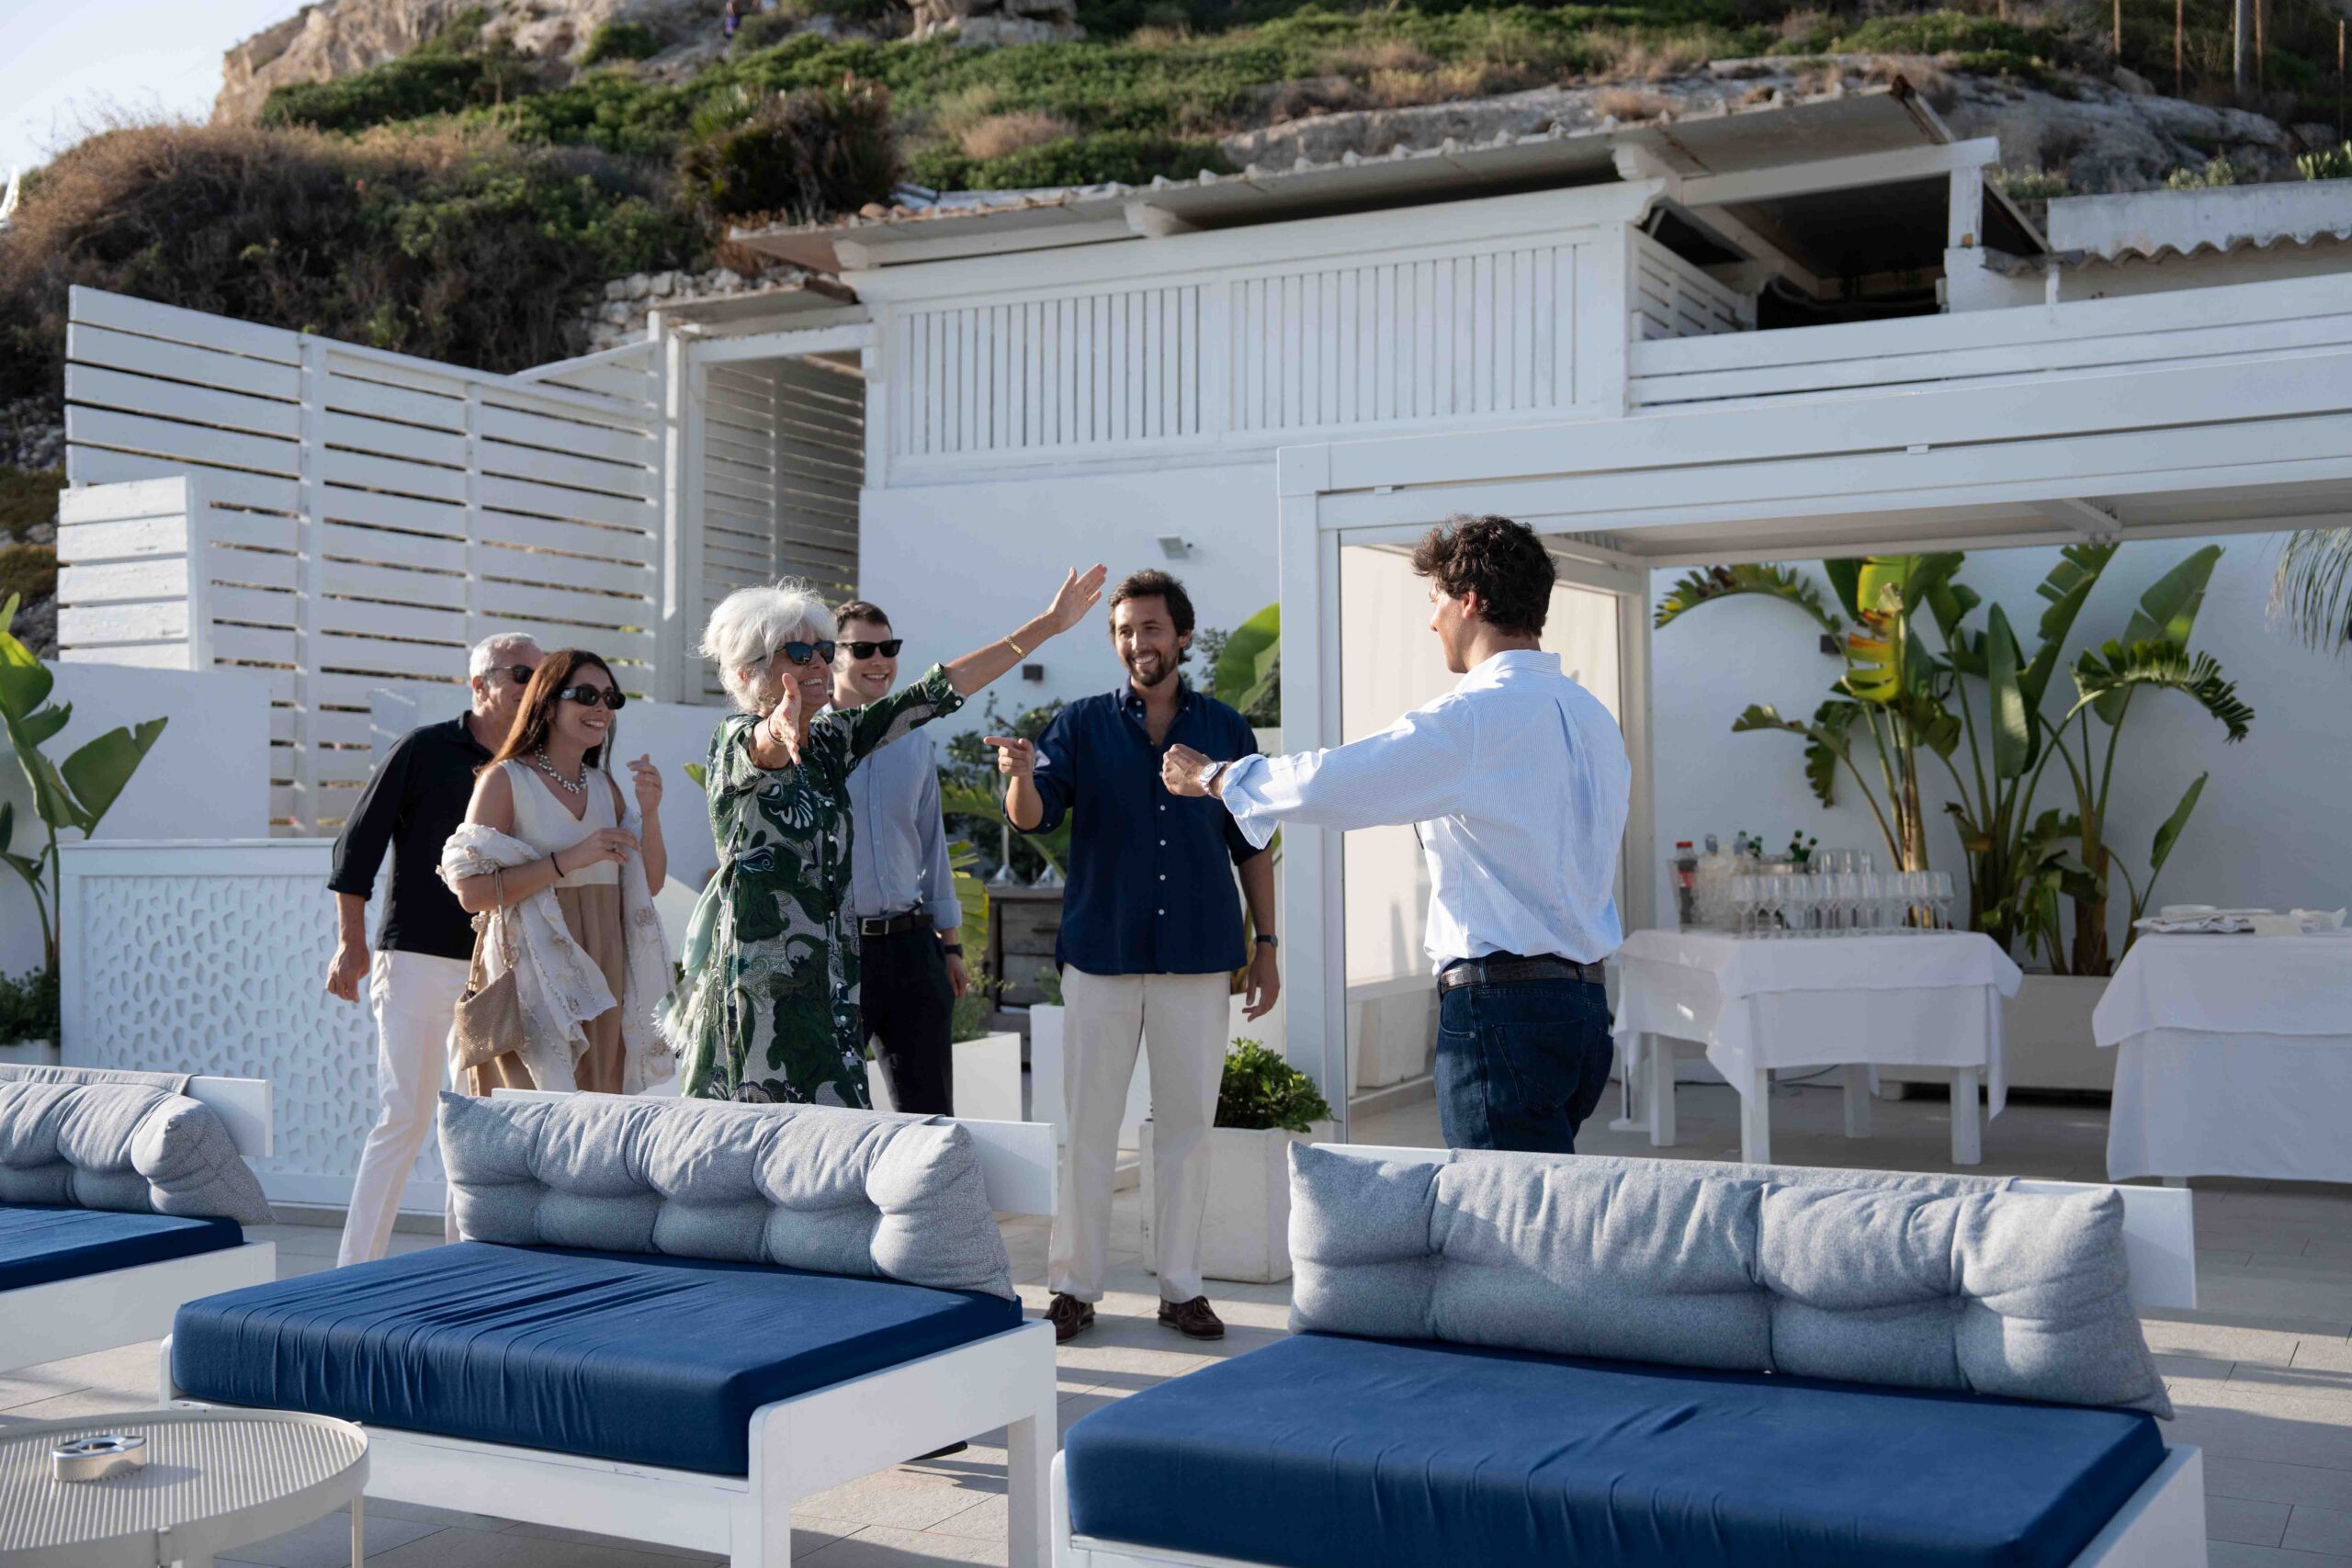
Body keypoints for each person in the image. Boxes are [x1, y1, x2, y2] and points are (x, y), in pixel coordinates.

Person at [1163, 513, 1631, 1156]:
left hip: (1503, 1012)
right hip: (1586, 1011)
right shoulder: (1593, 716)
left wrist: (1217, 777)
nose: (1431, 620)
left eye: (1436, 599)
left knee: (1498, 1213)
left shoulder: (1473, 717)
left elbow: (1339, 781)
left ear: (1471, 601)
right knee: (1541, 1204)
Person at [668, 564, 1106, 1107]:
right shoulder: (733, 741)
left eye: (822, 651)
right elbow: (764, 748)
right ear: (746, 673)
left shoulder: (833, 740)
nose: (817, 664)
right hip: (763, 993)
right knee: (763, 1136)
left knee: (847, 1133)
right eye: (798, 654)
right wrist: (779, 728)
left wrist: (1048, 624)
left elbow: (939, 689)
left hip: (832, 979)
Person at [988, 570, 1279, 1346]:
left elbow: (1253, 844)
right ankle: (1074, 1286)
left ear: (1182, 636)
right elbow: (1034, 814)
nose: (1136, 642)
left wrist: (1268, 945)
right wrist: (1020, 778)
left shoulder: (1227, 730)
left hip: (1199, 955)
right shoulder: (1080, 723)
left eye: (1150, 627)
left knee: (1187, 1129)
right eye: (1123, 630)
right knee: (1090, 1128)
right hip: (1101, 955)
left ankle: (1182, 1287)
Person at [325, 632, 541, 1267]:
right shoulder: (423, 749)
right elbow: (356, 847)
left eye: (541, 675)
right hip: (416, 959)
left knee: (474, 1124)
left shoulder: (534, 764)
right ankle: (352, 1272)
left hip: (495, 966)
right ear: (481, 684)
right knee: (405, 1116)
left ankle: (461, 1268)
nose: (535, 686)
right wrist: (351, 943)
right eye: (522, 674)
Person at [441, 649, 673, 1096]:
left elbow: (651, 884)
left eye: (610, 698)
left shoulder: (605, 787)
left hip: (604, 968)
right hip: (531, 973)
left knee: (597, 1110)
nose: (601, 707)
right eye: (586, 695)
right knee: (534, 1109)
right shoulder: (505, 780)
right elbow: (471, 893)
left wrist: (650, 812)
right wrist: (568, 860)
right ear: (547, 703)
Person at [832, 599, 970, 1116]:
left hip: (914, 950)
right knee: (836, 1115)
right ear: (832, 656)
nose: (879, 660)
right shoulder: (806, 739)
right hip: (838, 953)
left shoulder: (915, 742)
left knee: (929, 1115)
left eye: (888, 648)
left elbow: (932, 843)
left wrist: (951, 947)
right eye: (863, 649)